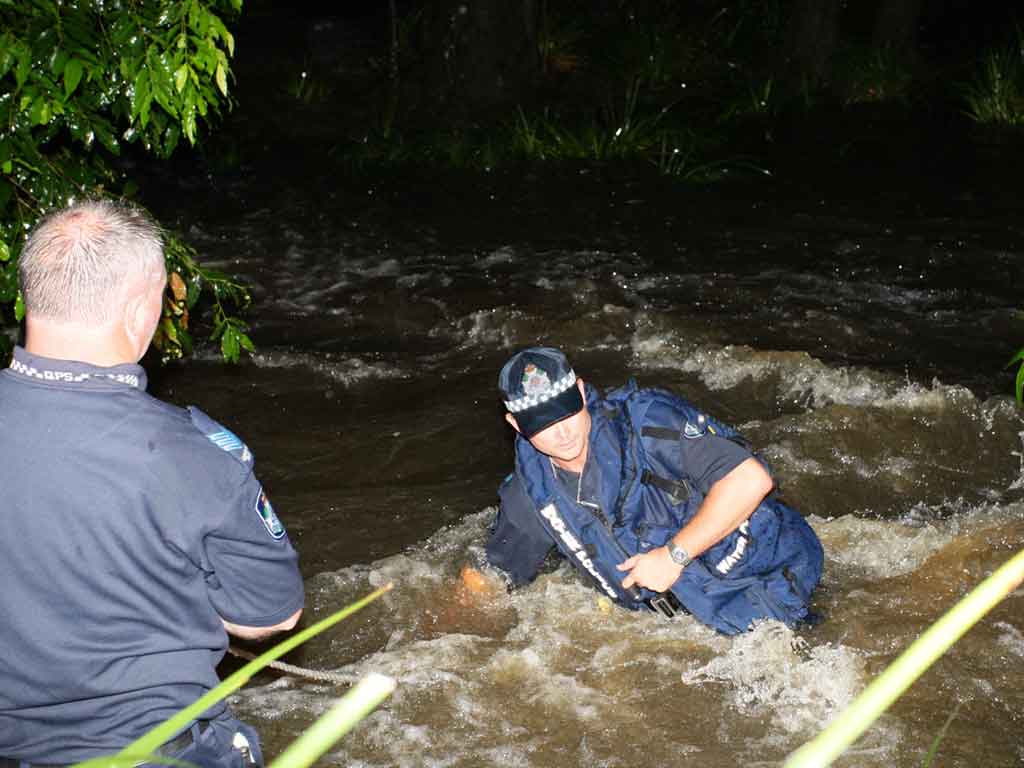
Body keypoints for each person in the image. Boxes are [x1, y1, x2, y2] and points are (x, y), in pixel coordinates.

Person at [0, 201, 305, 767]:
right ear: (142, 307)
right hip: (152, 748)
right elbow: (270, 618)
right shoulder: (195, 455)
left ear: (31, 296)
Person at [464, 346, 823, 635]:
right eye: (543, 423)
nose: (562, 432)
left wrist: (673, 556)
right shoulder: (530, 496)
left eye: (566, 412)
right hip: (682, 625)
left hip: (772, 575)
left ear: (581, 391)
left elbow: (751, 479)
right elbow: (491, 577)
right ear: (514, 424)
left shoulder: (649, 421)